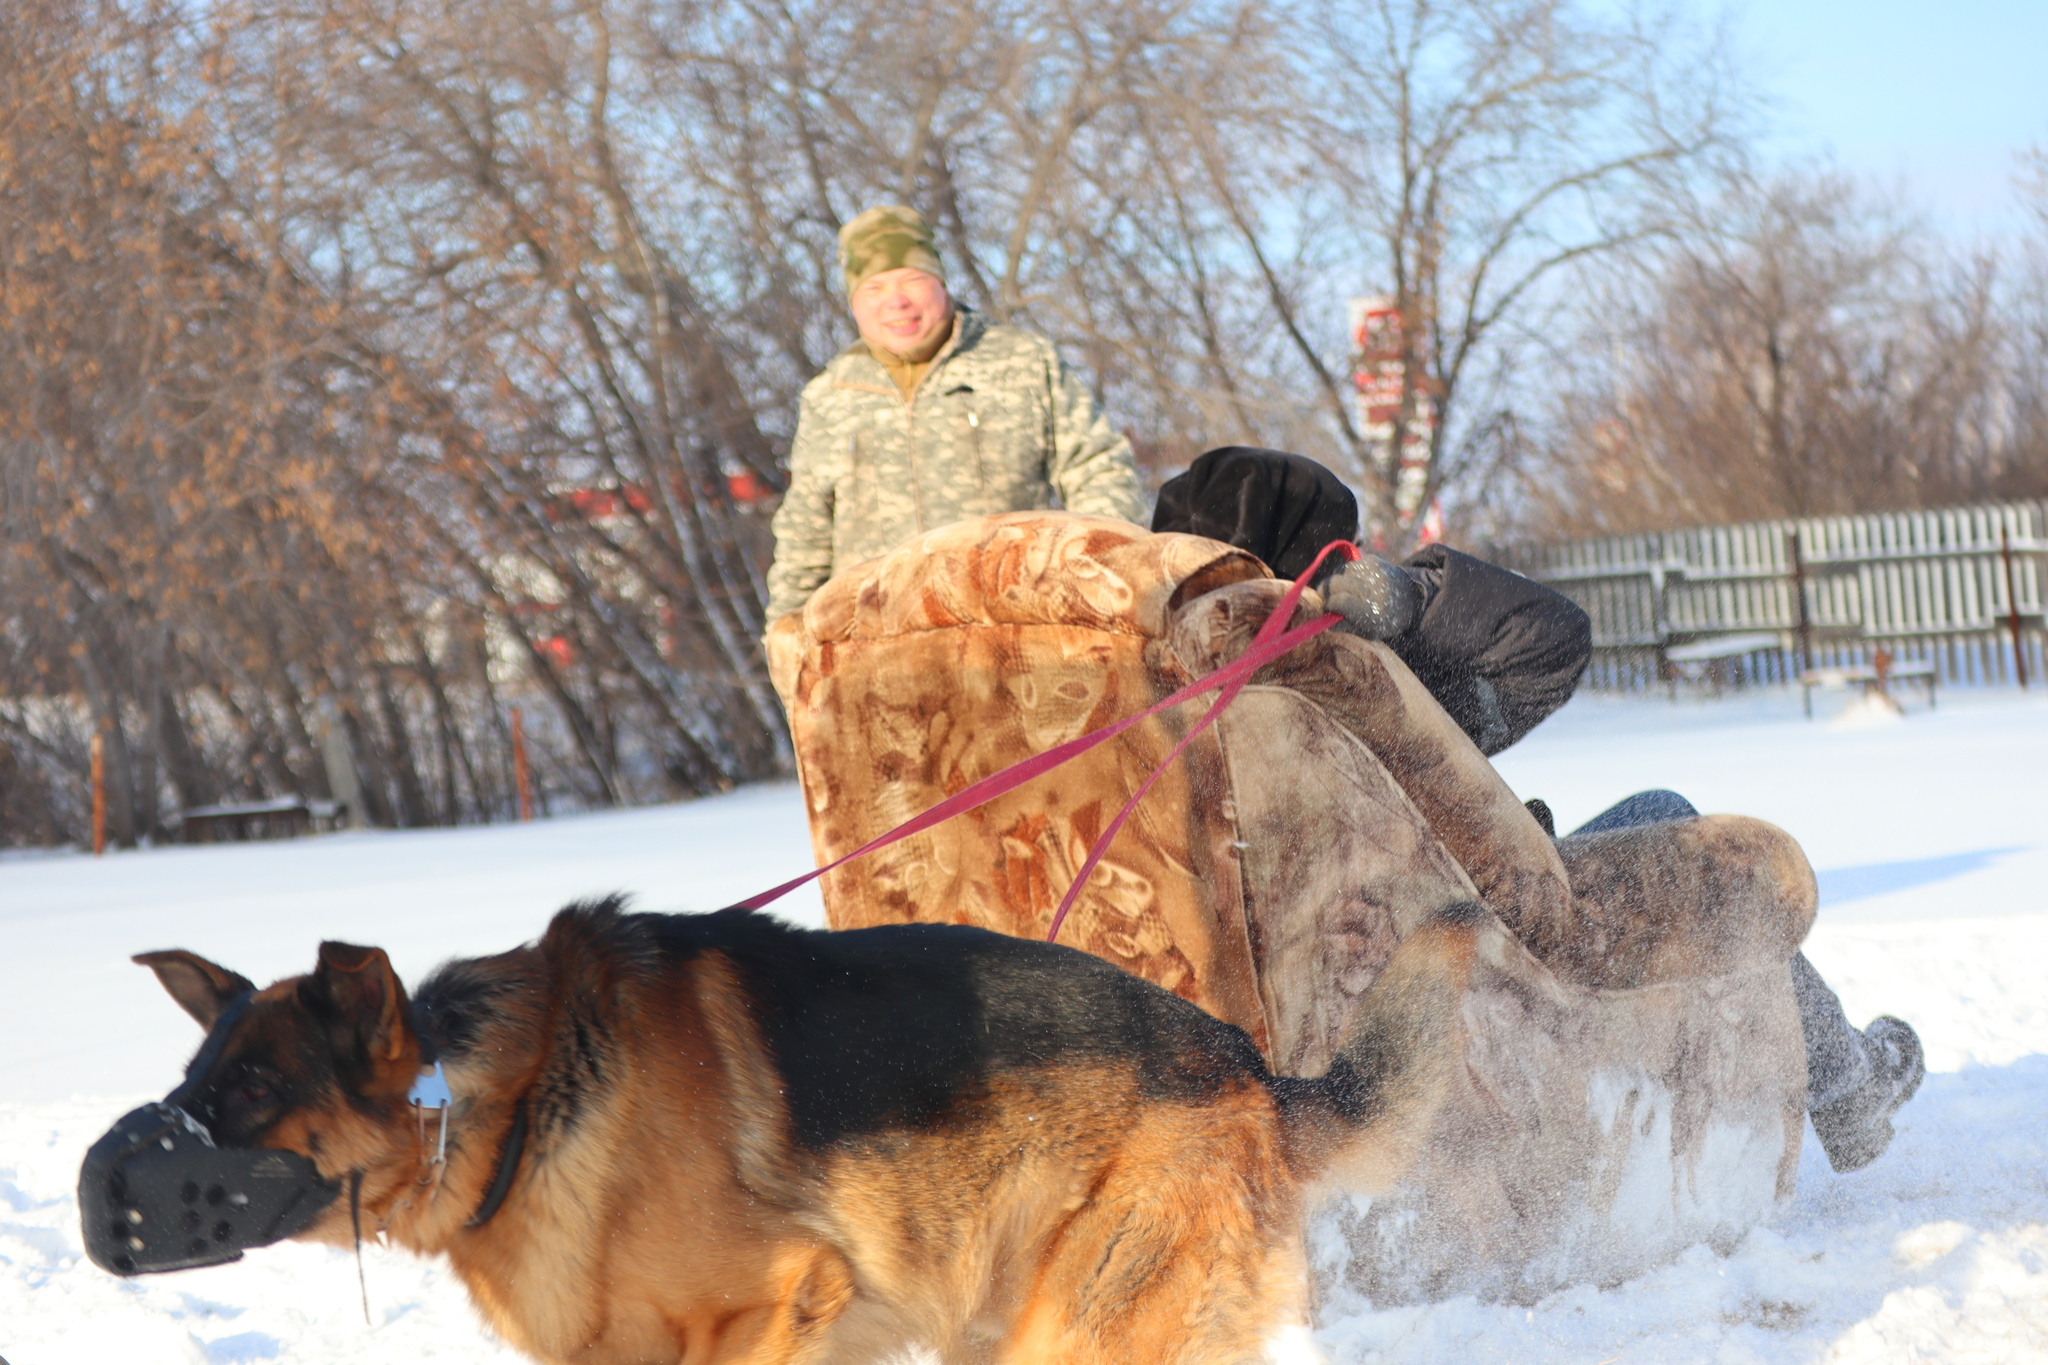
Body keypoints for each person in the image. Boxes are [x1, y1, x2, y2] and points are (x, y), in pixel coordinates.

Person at [1151, 444, 1925, 1173]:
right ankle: (1847, 1087)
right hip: (1471, 954)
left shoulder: (1126, 703)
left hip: (1244, 1010)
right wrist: (1416, 599)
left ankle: (1834, 1082)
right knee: (1679, 823)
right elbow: (1553, 647)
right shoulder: (1350, 681)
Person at [764, 206, 1146, 622]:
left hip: (1017, 632)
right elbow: (805, 536)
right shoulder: (830, 396)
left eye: (913, 279)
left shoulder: (1022, 363)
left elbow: (1098, 469)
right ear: (854, 301)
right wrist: (789, 645)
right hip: (878, 653)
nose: (897, 301)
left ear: (941, 283)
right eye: (874, 287)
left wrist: (1092, 575)